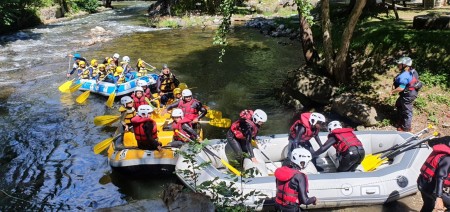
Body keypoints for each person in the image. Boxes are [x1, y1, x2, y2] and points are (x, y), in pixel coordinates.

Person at [417, 136, 450, 212]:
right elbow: (441, 176)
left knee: (428, 205)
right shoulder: (448, 158)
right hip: (431, 188)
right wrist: (439, 197)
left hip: (422, 182)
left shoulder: (443, 147)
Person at [390, 56, 421, 132]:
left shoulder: (405, 75)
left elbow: (401, 88)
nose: (398, 65)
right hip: (410, 93)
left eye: (400, 64)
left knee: (407, 111)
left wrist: (392, 92)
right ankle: (401, 120)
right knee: (399, 104)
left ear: (405, 65)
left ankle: (405, 128)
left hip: (408, 95)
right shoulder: (412, 71)